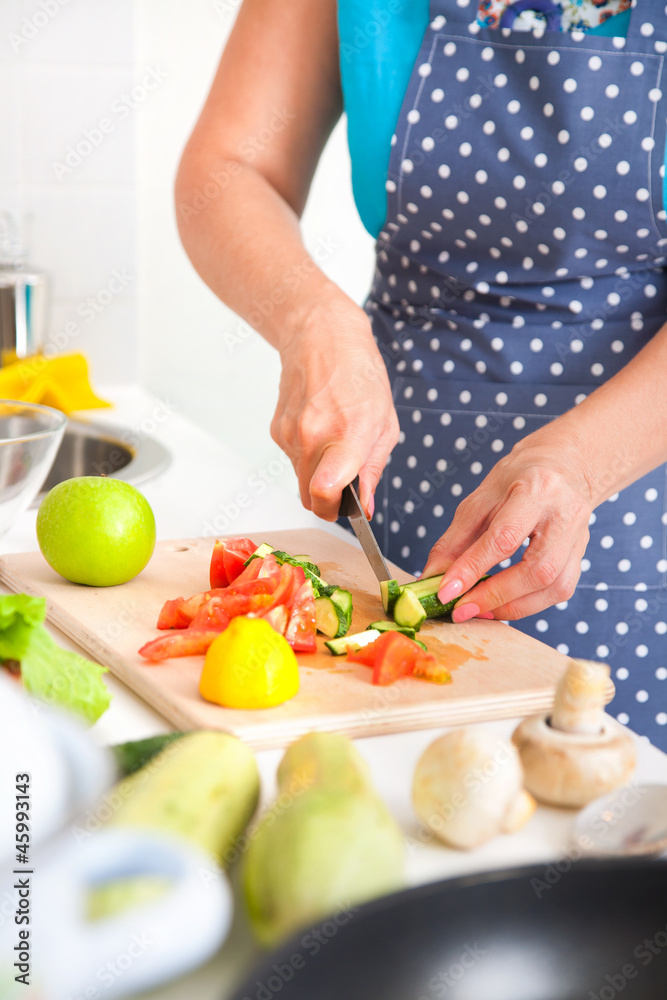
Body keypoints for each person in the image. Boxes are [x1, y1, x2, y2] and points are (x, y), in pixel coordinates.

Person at [175, 0, 667, 747]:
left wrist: (579, 462)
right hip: (397, 499)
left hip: (636, 511)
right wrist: (312, 318)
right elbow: (228, 167)